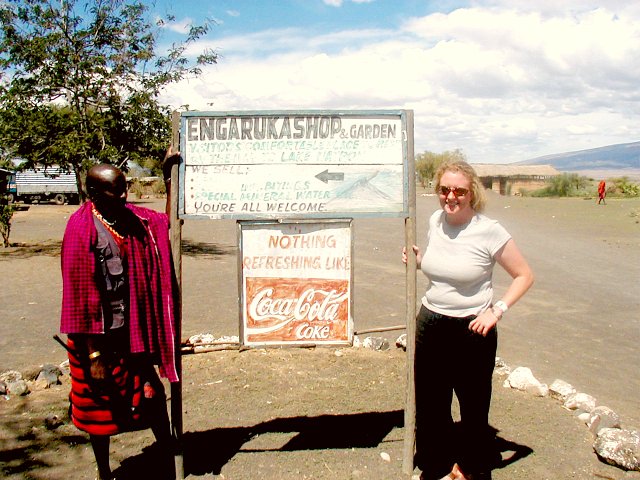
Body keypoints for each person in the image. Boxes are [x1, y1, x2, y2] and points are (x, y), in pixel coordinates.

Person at [403, 160, 534, 480]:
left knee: (473, 409)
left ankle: (469, 469)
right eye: (444, 189)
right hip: (430, 322)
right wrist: (418, 260)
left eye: (458, 191)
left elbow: (524, 275)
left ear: (471, 192)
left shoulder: (489, 230)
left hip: (472, 329)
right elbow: (444, 268)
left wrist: (496, 310)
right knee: (431, 406)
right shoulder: (436, 221)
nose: (450, 196)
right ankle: (436, 467)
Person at [59, 148, 181, 480]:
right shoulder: (80, 229)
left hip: (132, 335)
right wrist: (94, 356)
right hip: (95, 340)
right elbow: (78, 299)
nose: (124, 194)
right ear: (93, 193)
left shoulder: (130, 219)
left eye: (125, 186)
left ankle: (170, 453)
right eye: (117, 188)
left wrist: (169, 177)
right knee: (98, 411)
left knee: (152, 396)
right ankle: (103, 472)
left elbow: (166, 225)